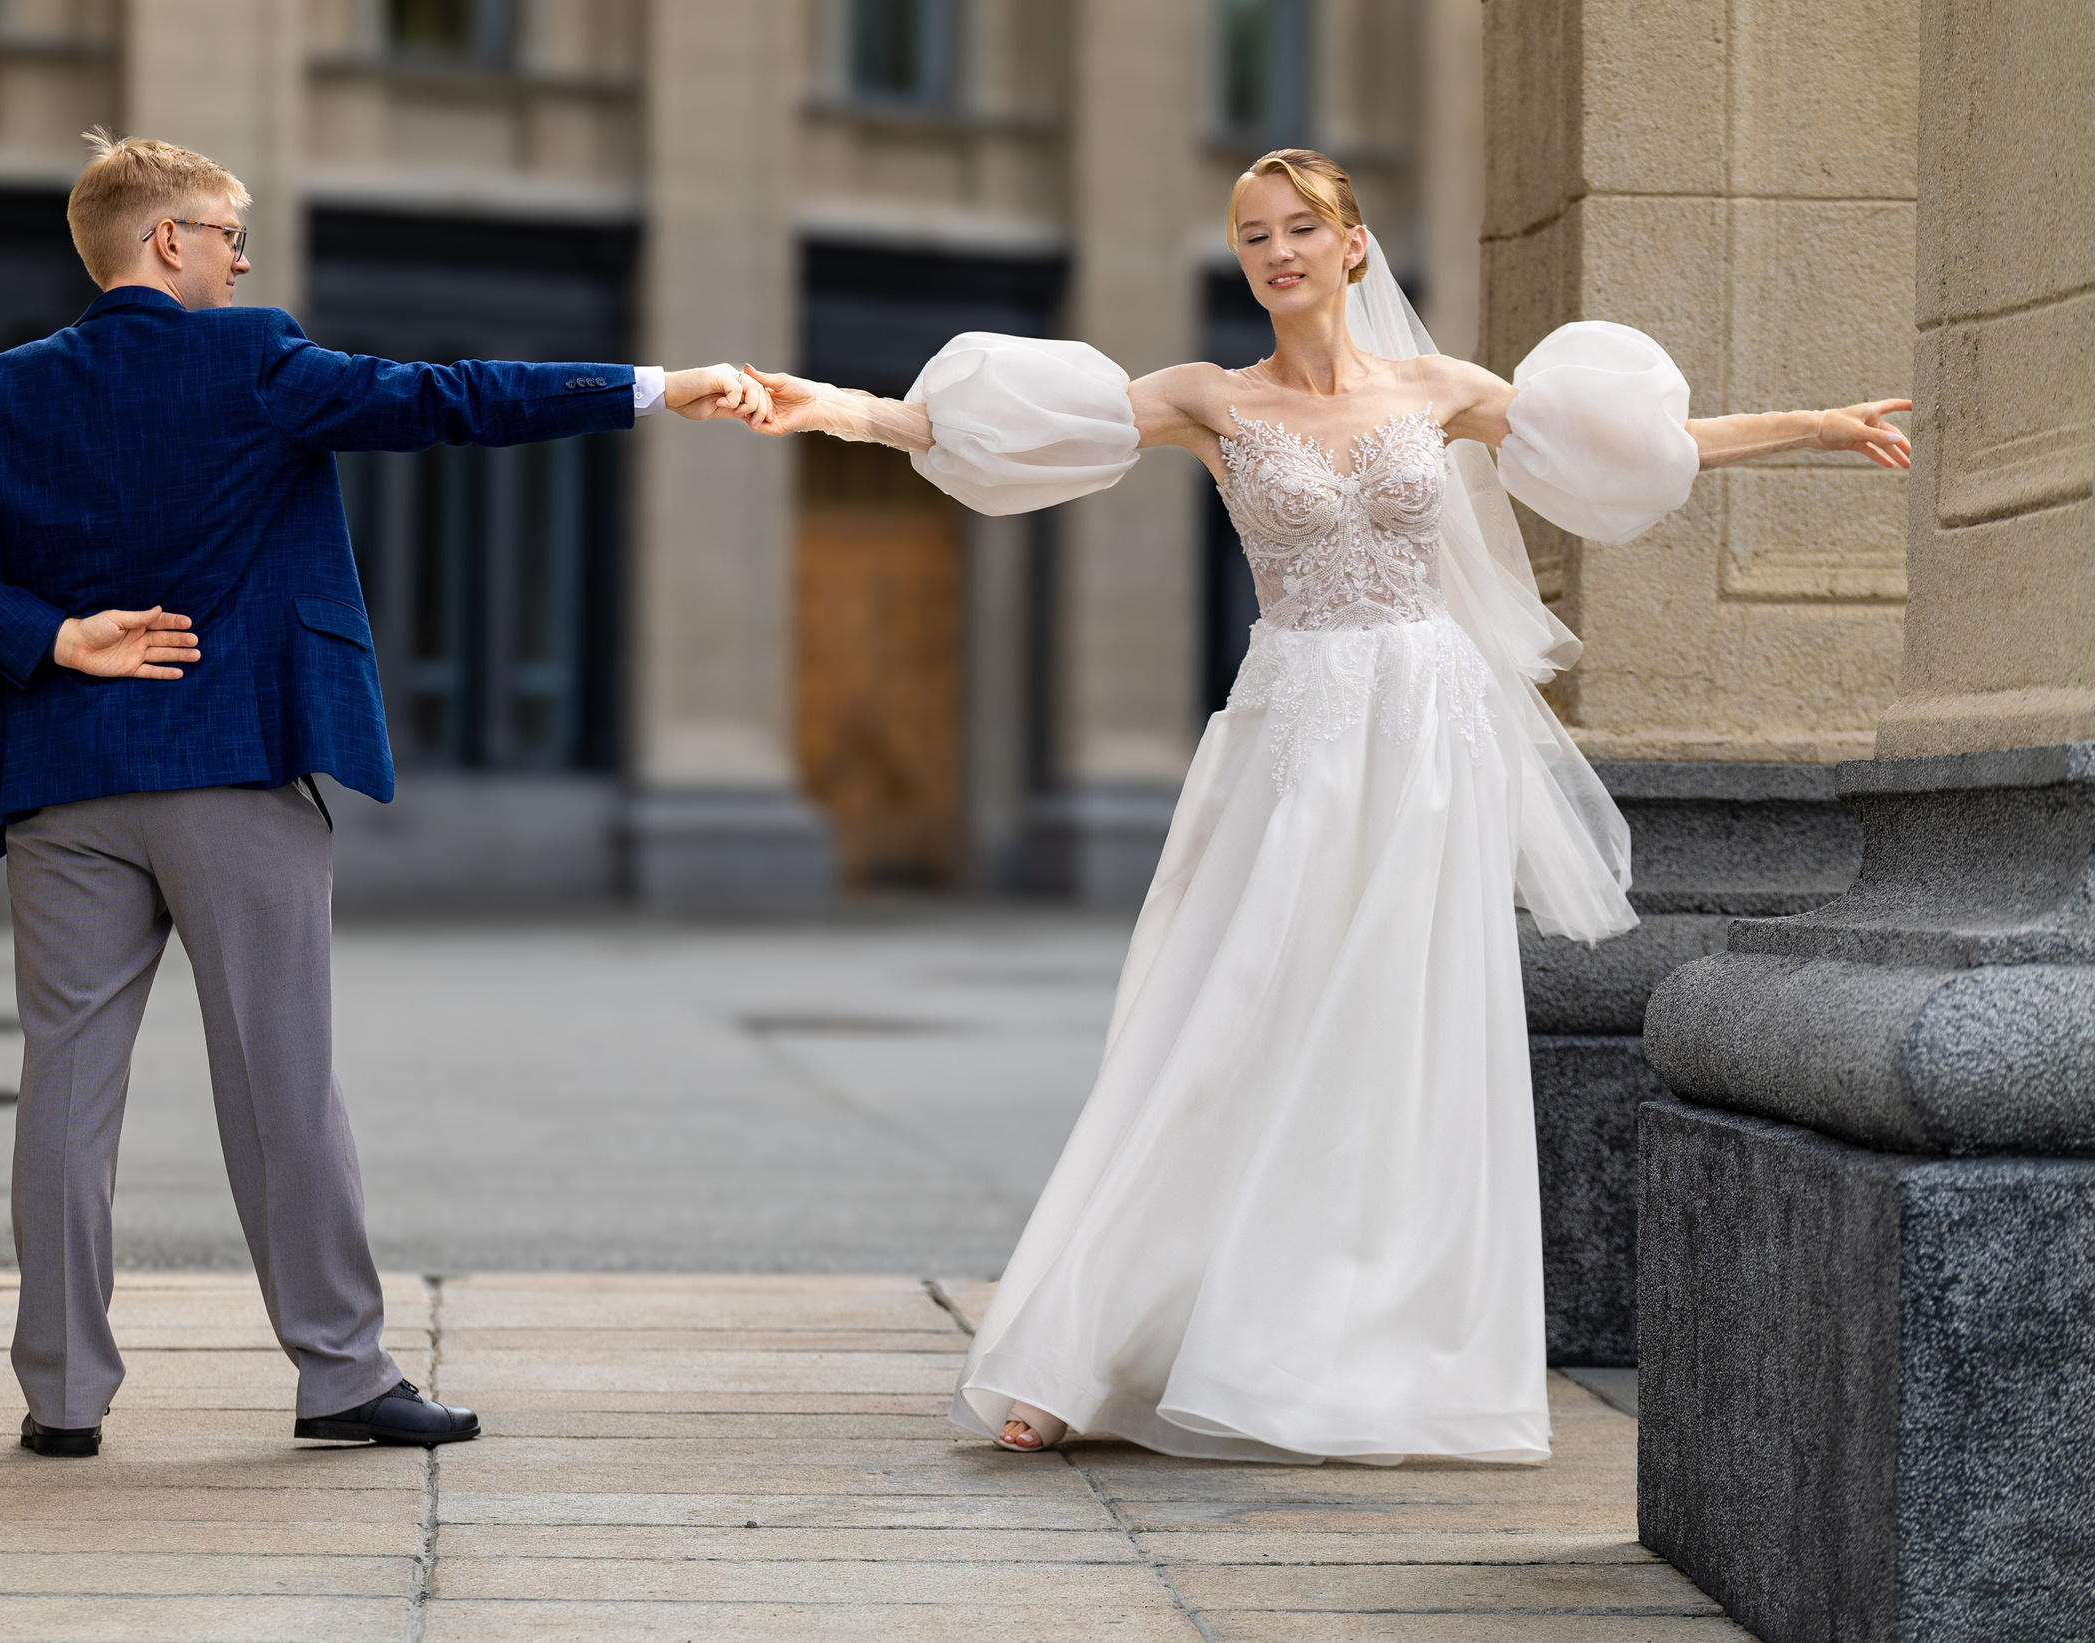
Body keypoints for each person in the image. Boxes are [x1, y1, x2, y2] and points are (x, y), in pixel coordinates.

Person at [743, 148, 1911, 1463]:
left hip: (1426, 737)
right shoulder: (1206, 398)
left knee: (1396, 1035)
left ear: (1355, 246)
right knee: (1234, 1011)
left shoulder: (1442, 390)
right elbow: (990, 432)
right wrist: (831, 408)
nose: (1279, 249)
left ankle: (1343, 1360)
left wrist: (1813, 430)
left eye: (1304, 226)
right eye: (1254, 234)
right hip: (1297, 734)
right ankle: (1092, 1349)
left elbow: (1636, 448)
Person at [0, 131, 766, 1458]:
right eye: (229, 235)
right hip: (230, 768)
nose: (245, 259)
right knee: (281, 1082)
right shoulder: (255, 362)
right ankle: (341, 1376)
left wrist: (58, 637)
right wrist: (657, 385)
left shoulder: (2, 390)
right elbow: (450, 398)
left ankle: (60, 1399)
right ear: (166, 242)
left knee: (65, 1087)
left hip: (58, 779)